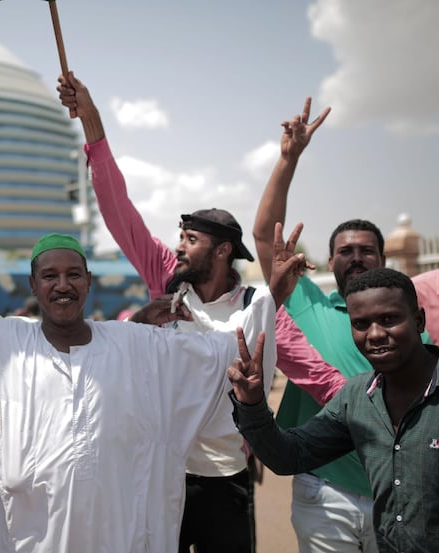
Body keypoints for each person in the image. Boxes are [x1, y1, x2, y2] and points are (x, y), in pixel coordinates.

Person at [0, 184, 308, 552]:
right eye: (50, 276)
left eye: (72, 275)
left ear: (87, 282)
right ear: (35, 287)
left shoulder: (140, 347)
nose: (62, 286)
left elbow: (222, 352)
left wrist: (274, 298)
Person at [58, 72, 345, 552]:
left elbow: (321, 378)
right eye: (181, 238)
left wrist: (382, 405)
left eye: (191, 240)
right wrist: (92, 121)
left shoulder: (259, 312)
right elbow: (117, 208)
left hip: (225, 481)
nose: (179, 246)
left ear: (222, 251)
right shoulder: (165, 281)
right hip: (158, 476)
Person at [252, 98, 432, 553]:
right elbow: (263, 237)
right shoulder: (307, 303)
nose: (376, 334)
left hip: (400, 500)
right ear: (328, 261)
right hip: (325, 489)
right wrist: (288, 159)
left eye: (366, 251)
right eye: (345, 251)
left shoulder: (418, 338)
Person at [228, 267, 439, 553]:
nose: (375, 334)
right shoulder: (358, 397)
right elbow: (290, 456)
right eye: (361, 324)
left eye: (389, 319)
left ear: (418, 320)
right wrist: (252, 405)